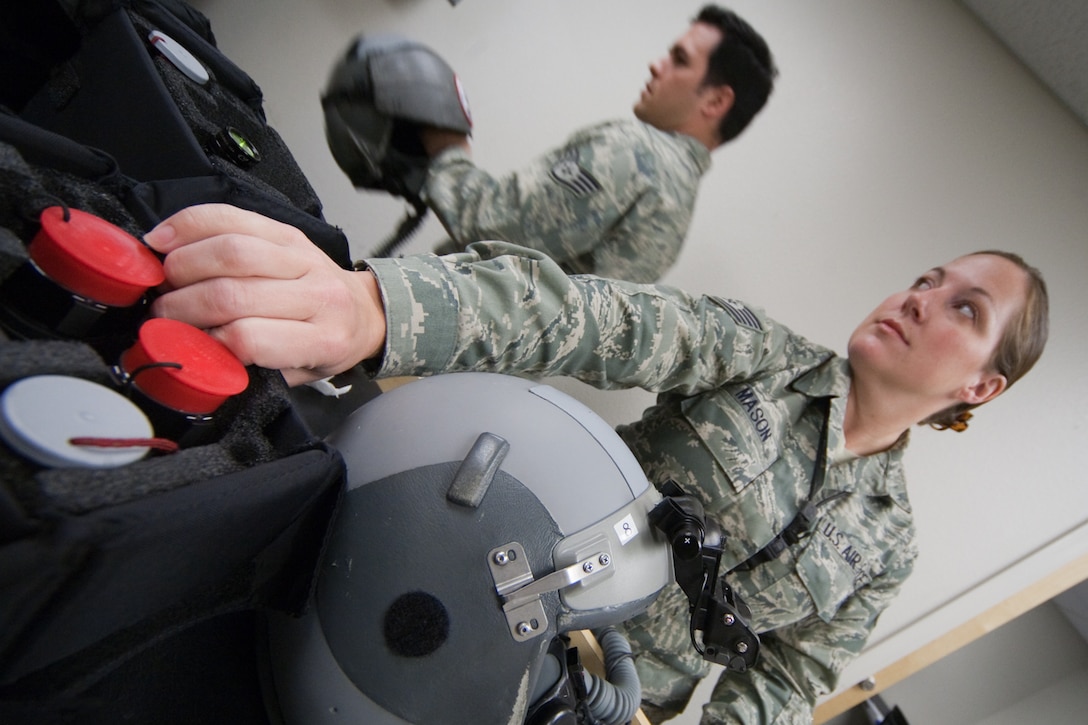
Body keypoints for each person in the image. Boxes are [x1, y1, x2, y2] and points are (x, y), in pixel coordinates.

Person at [143, 203, 1048, 723]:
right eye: (929, 278)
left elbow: (789, 677)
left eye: (964, 309)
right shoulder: (760, 355)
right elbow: (590, 320)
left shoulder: (887, 545)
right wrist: (378, 307)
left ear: (981, 388)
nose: (922, 299)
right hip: (466, 606)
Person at [417, 5, 777, 283]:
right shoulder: (678, 202)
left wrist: (448, 150)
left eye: (679, 60)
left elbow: (490, 226)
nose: (656, 66)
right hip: (492, 376)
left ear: (715, 102)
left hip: (442, 341)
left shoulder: (634, 151)